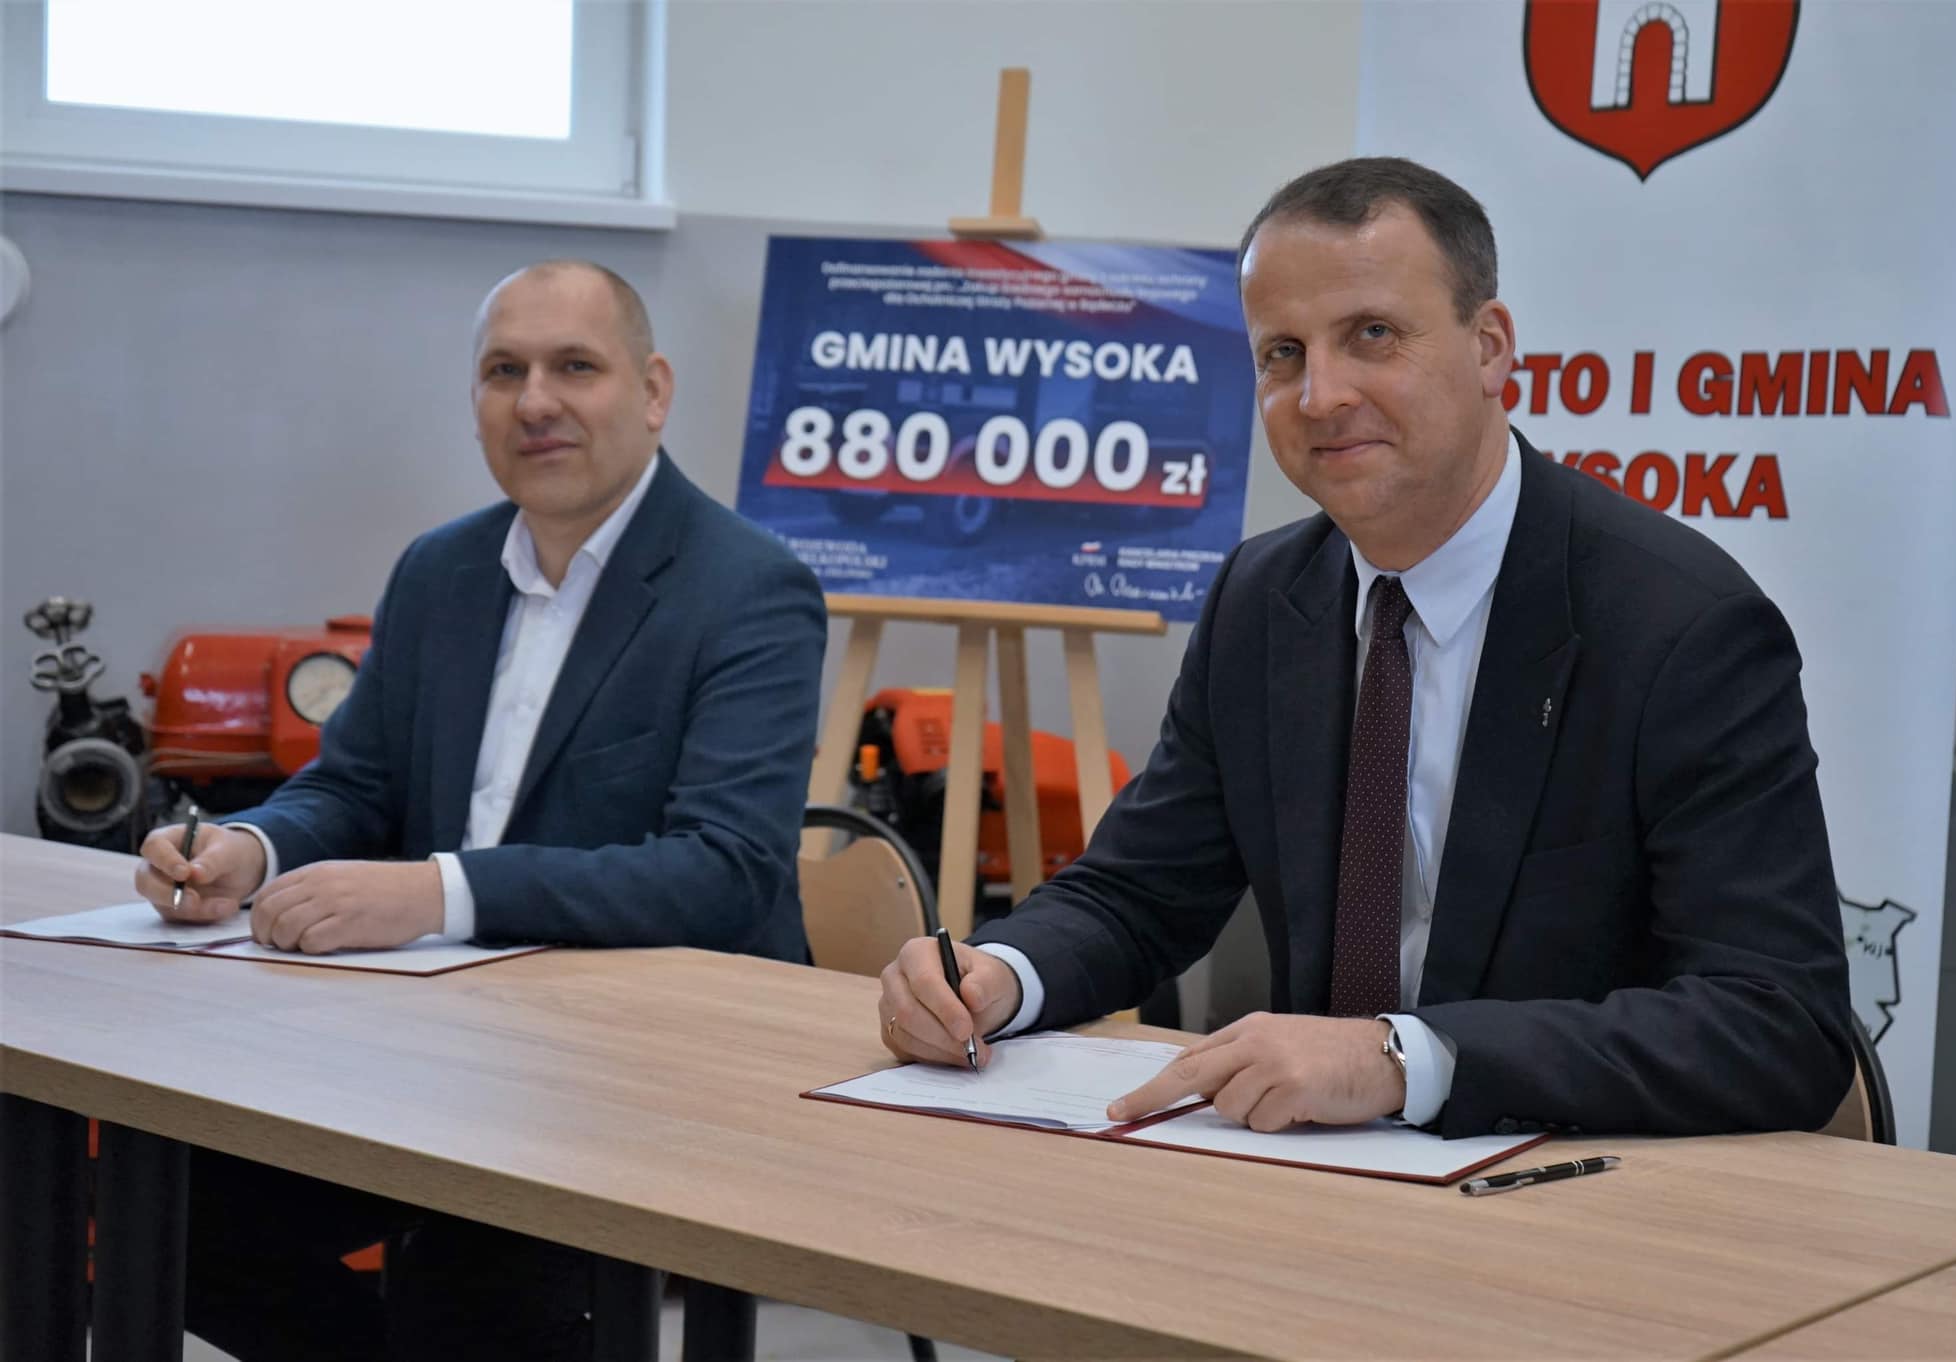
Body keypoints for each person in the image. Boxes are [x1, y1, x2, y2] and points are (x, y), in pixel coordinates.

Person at [877, 158, 1854, 1142]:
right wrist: (1001, 976)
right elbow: (1141, 890)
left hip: (1576, 1182)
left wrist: (1402, 1060)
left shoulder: (1680, 625)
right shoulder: (1263, 598)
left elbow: (1776, 1022)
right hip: (1315, 1172)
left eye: (1371, 335)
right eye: (1282, 353)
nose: (1320, 395)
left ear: (1489, 348)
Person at [130, 259, 826, 1360]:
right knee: (170, 1212)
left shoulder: (750, 589)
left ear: (652, 391)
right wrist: (250, 851)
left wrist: (437, 892)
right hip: (447, 1045)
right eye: (505, 372)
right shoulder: (439, 570)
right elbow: (355, 786)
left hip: (656, 1069)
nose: (535, 401)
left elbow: (724, 871)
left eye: (574, 367)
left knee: (475, 1295)